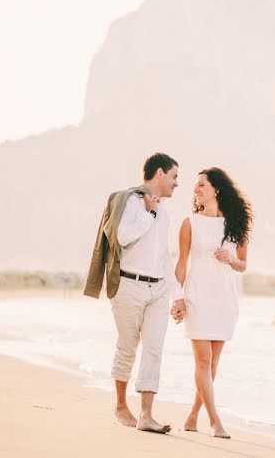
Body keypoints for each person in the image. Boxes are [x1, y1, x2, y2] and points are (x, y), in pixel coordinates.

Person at [83, 152, 186, 434]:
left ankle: (146, 415)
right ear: (160, 173)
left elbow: (165, 258)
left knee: (154, 349)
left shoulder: (164, 212)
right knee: (128, 347)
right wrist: (148, 213)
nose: (177, 183)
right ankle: (120, 406)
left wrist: (178, 295)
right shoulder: (130, 201)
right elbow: (122, 236)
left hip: (158, 289)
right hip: (128, 285)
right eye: (175, 177)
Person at [174, 167, 252, 439]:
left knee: (213, 363)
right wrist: (178, 297)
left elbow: (243, 263)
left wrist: (231, 260)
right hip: (197, 296)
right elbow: (181, 263)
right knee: (203, 360)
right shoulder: (189, 223)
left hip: (224, 298)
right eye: (196, 186)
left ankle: (193, 415)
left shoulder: (236, 223)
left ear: (216, 189)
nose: (196, 189)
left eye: (201, 185)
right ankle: (215, 421)